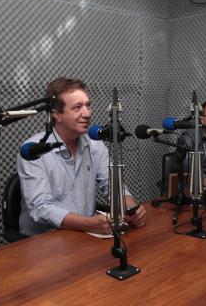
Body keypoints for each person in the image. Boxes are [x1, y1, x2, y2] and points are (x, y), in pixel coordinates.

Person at [17, 77, 146, 236]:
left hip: (83, 236)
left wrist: (132, 209)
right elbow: (40, 207)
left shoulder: (95, 144)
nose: (87, 113)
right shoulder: (33, 150)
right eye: (77, 107)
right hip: (44, 240)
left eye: (88, 105)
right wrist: (88, 224)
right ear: (56, 114)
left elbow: (112, 184)